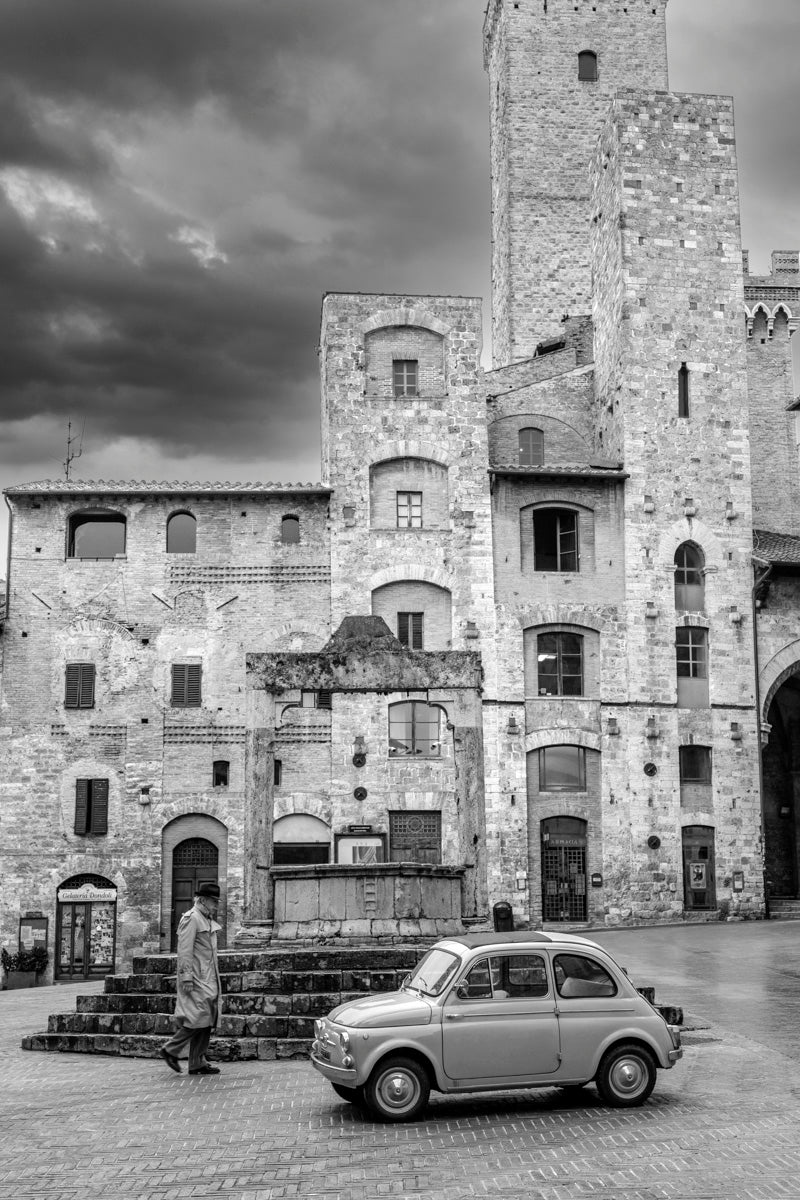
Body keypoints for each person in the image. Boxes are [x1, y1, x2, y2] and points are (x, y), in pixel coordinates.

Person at [160, 881, 223, 1075]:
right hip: (195, 978)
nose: (216, 905)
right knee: (197, 1018)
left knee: (207, 1018)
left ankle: (197, 1061)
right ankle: (170, 1049)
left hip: (208, 978)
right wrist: (186, 977)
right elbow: (184, 951)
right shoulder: (192, 918)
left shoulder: (206, 919)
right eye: (214, 901)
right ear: (203, 900)